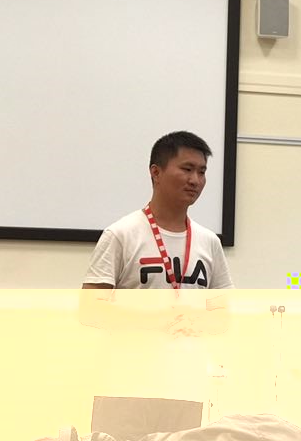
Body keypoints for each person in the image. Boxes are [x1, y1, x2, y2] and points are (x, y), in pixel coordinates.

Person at [79, 131, 233, 440]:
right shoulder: (121, 234)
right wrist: (156, 321)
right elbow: (90, 310)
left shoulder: (208, 242)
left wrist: (196, 322)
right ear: (156, 172)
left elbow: (223, 315)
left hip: (184, 386)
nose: (195, 180)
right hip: (124, 385)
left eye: (202, 172)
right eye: (186, 169)